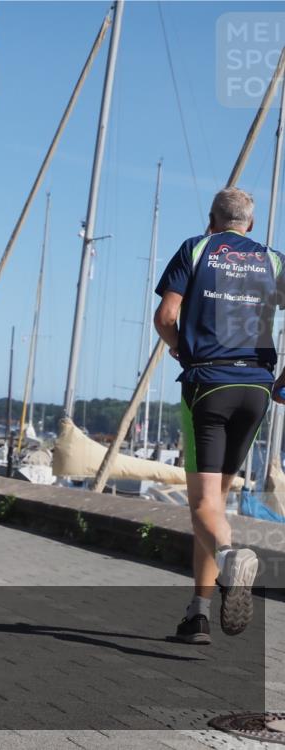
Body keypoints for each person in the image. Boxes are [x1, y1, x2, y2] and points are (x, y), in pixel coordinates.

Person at [154, 187, 283, 644]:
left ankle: (231, 560)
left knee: (204, 505)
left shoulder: (197, 248)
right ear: (250, 223)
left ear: (212, 220)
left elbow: (167, 315)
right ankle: (198, 613)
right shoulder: (273, 260)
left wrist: (179, 352)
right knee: (214, 503)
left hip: (208, 385)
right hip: (257, 389)